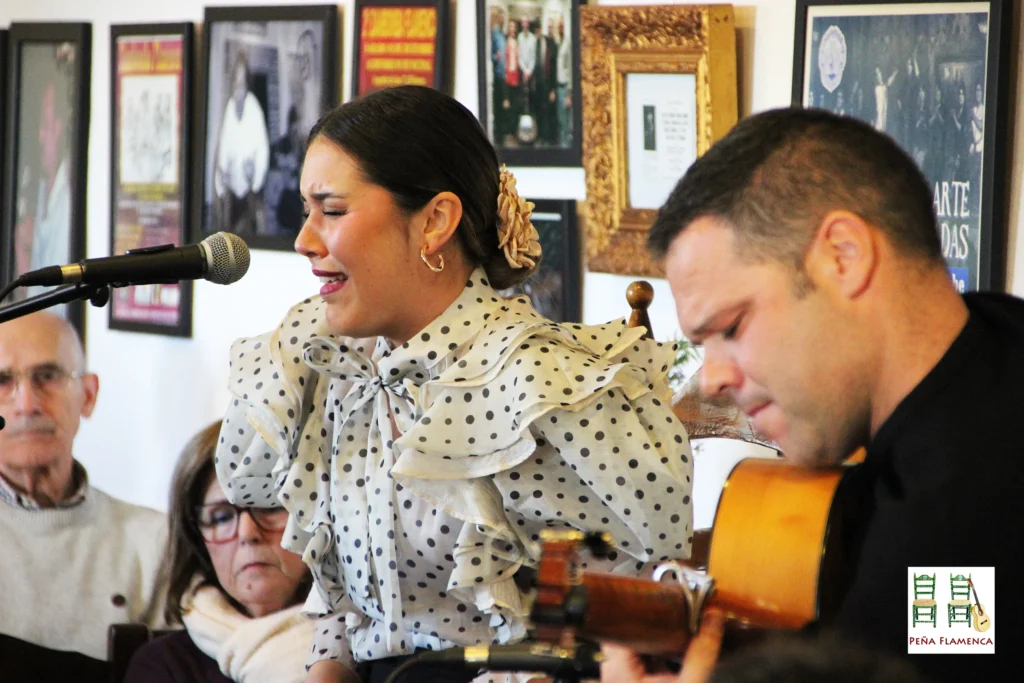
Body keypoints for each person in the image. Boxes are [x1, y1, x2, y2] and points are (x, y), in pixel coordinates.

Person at [213, 85, 694, 683]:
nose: (305, 241)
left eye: (331, 211)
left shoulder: (539, 385)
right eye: (307, 212)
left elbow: (620, 609)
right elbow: (340, 610)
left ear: (435, 221)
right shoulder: (333, 369)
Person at [602, 106, 1022, 682]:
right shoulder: (996, 342)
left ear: (843, 257)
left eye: (731, 327)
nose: (712, 378)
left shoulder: (957, 520)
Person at [0, 312, 167, 672]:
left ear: (88, 395)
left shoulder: (155, 542)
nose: (26, 404)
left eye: (47, 376)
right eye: (2, 382)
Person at [125, 421, 342, 683]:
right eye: (221, 517)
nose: (247, 533)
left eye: (269, 506)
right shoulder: (163, 667)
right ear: (199, 544)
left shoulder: (367, 646)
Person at [213, 50, 270, 236]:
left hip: (249, 187)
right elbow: (224, 146)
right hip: (232, 188)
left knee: (251, 230)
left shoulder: (254, 109)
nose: (239, 88)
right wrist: (221, 179)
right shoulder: (229, 107)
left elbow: (262, 150)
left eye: (242, 83)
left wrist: (255, 179)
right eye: (236, 83)